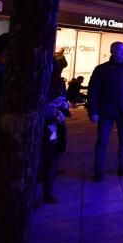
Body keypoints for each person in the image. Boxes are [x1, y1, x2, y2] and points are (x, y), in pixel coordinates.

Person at [87, 42, 123, 181]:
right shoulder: (102, 69)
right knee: (102, 140)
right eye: (119, 50)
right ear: (112, 51)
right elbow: (93, 91)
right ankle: (98, 170)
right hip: (106, 111)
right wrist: (93, 111)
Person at [39, 58, 69, 204]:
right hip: (41, 125)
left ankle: (48, 189)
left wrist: (62, 110)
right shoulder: (37, 81)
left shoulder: (58, 82)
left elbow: (64, 100)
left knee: (52, 158)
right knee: (40, 158)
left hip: (55, 126)